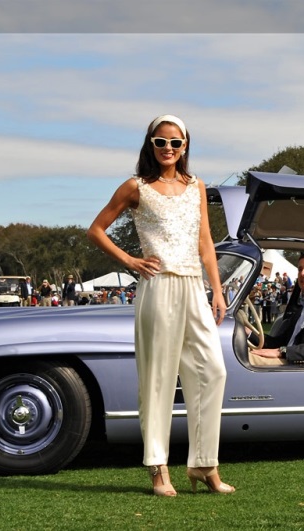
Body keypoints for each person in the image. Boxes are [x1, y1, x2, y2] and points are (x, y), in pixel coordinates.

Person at [87, 114, 232, 497]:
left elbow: (205, 242)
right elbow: (96, 229)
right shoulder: (135, 187)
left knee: (213, 371)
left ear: (185, 146)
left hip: (193, 287)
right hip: (157, 286)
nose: (168, 149)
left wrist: (217, 290)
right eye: (160, 142)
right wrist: (131, 261)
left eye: (176, 143)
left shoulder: (196, 186)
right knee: (158, 379)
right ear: (150, 144)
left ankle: (204, 464)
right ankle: (157, 467)